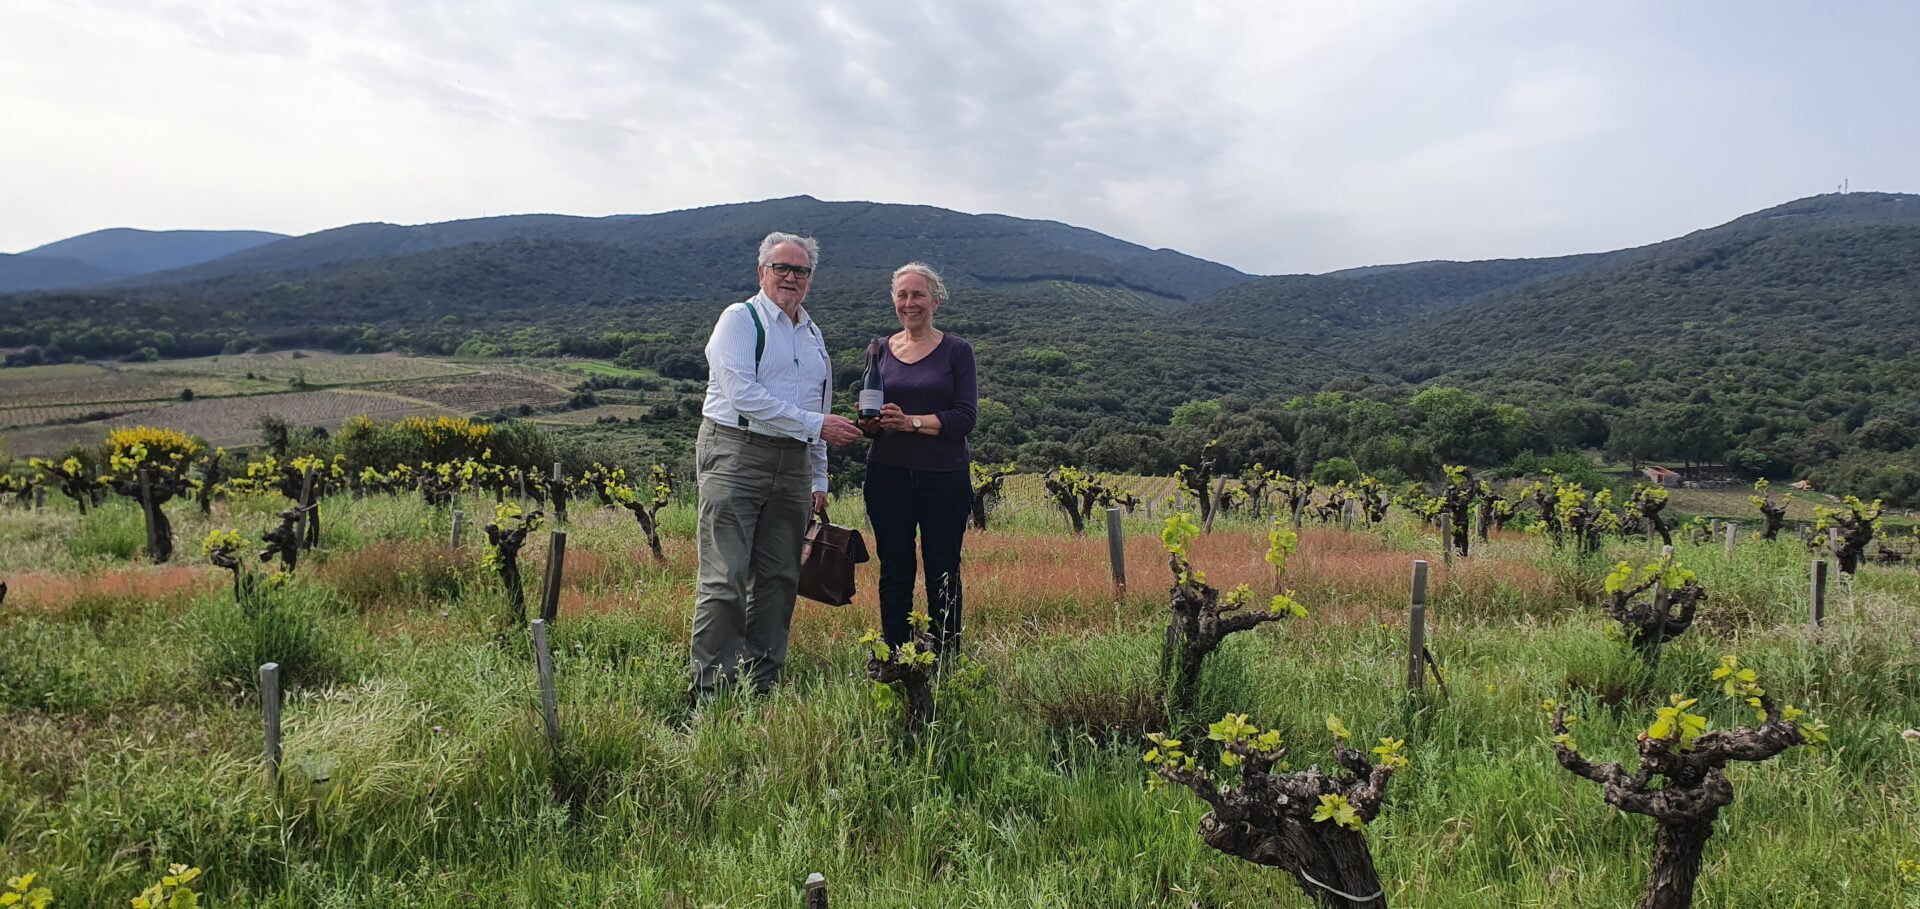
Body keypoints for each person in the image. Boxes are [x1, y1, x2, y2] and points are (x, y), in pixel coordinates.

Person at [690, 231, 864, 701]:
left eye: (801, 270)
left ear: (810, 278)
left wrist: (819, 474)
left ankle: (761, 683)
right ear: (761, 272)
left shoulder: (811, 333)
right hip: (735, 453)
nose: (791, 277)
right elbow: (742, 394)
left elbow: (818, 404)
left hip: (792, 461)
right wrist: (816, 427)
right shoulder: (739, 320)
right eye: (782, 268)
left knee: (781, 576)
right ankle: (711, 689)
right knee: (725, 577)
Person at [862, 262, 978, 655]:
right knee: (894, 569)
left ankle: (945, 657)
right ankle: (897, 654)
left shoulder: (958, 351)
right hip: (887, 475)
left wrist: (910, 421)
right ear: (893, 300)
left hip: (944, 478)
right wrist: (870, 423)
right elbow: (870, 412)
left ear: (936, 302)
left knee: (943, 569)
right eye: (902, 295)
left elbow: (965, 419)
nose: (909, 303)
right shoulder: (878, 349)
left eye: (918, 295)